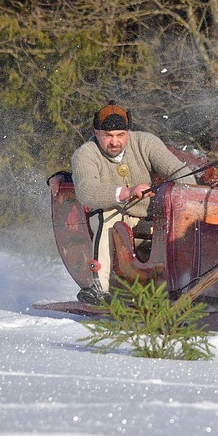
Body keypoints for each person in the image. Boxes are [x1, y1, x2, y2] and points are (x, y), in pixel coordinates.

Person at [71, 101, 195, 304]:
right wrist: (127, 192)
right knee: (108, 214)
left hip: (152, 220)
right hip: (116, 222)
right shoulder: (85, 154)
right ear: (96, 132)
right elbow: (86, 191)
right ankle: (98, 288)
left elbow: (184, 176)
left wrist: (172, 194)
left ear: (129, 132)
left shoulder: (146, 143)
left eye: (120, 135)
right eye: (108, 136)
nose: (114, 142)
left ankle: (180, 286)